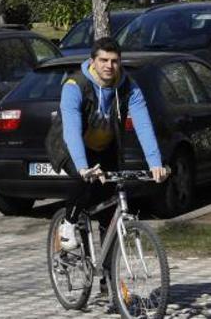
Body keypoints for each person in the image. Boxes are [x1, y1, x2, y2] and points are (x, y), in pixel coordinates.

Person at [56, 37, 168, 254]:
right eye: (103, 60)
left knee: (109, 211)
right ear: (93, 61)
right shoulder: (75, 86)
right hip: (72, 147)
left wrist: (155, 162)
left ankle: (107, 281)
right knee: (84, 184)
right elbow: (71, 130)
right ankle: (68, 224)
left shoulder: (128, 87)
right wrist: (82, 166)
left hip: (105, 147)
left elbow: (143, 124)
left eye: (114, 61)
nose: (109, 66)